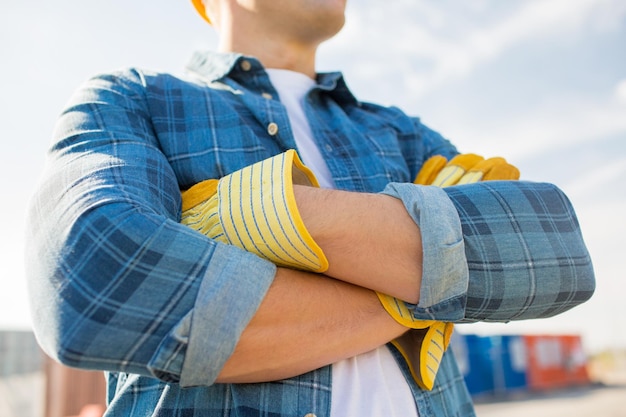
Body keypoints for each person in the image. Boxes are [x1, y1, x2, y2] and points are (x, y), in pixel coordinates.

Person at [25, 0, 595, 416]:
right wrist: (437, 287)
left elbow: (553, 253)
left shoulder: (399, 130)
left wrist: (253, 213)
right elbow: (93, 285)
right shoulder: (133, 98)